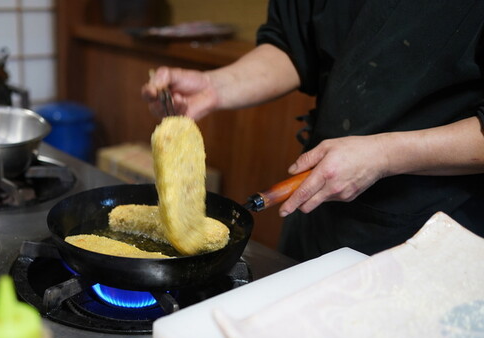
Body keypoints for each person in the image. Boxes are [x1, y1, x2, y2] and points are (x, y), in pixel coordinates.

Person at [142, 0, 484, 261]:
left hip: (437, 228)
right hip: (319, 206)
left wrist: (384, 155)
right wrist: (214, 87)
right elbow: (293, 44)